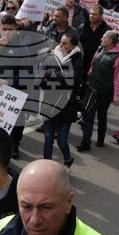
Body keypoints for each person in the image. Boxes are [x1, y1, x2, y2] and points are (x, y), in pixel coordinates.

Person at [42, 32, 85, 168]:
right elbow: (41, 79)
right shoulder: (52, 58)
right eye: (60, 42)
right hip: (50, 104)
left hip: (67, 107)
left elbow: (73, 81)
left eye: (65, 43)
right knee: (48, 139)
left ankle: (67, 160)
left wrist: (52, 75)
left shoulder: (77, 61)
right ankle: (46, 168)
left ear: (72, 46)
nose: (60, 45)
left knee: (61, 141)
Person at [78, 31, 119, 152]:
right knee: (88, 115)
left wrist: (116, 95)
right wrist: (89, 76)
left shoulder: (118, 57)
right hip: (91, 87)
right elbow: (93, 64)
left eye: (104, 37)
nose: (101, 38)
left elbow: (118, 77)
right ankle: (85, 142)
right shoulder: (99, 49)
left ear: (110, 41)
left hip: (105, 91)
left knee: (101, 115)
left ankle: (100, 139)